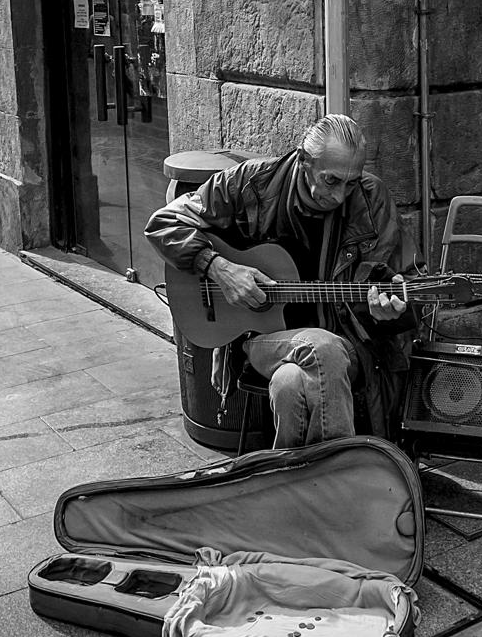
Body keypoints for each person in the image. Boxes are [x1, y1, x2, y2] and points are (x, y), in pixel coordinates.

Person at [145, 114, 420, 448]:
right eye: (331, 180)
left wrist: (388, 314)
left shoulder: (371, 198)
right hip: (261, 340)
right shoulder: (253, 183)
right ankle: (343, 476)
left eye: (350, 183)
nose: (340, 195)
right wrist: (218, 268)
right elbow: (163, 223)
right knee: (321, 347)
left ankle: (291, 483)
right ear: (304, 161)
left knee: (290, 384)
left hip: (347, 342)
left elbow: (407, 278)